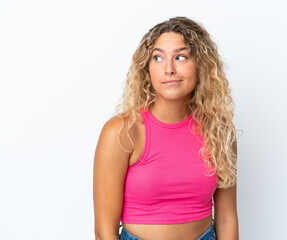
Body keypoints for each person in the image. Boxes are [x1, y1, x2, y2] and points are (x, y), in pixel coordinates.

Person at [93, 16, 240, 240]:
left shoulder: (218, 131)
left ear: (201, 65)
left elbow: (227, 218)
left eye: (181, 57)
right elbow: (104, 231)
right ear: (147, 68)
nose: (169, 69)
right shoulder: (122, 132)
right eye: (158, 58)